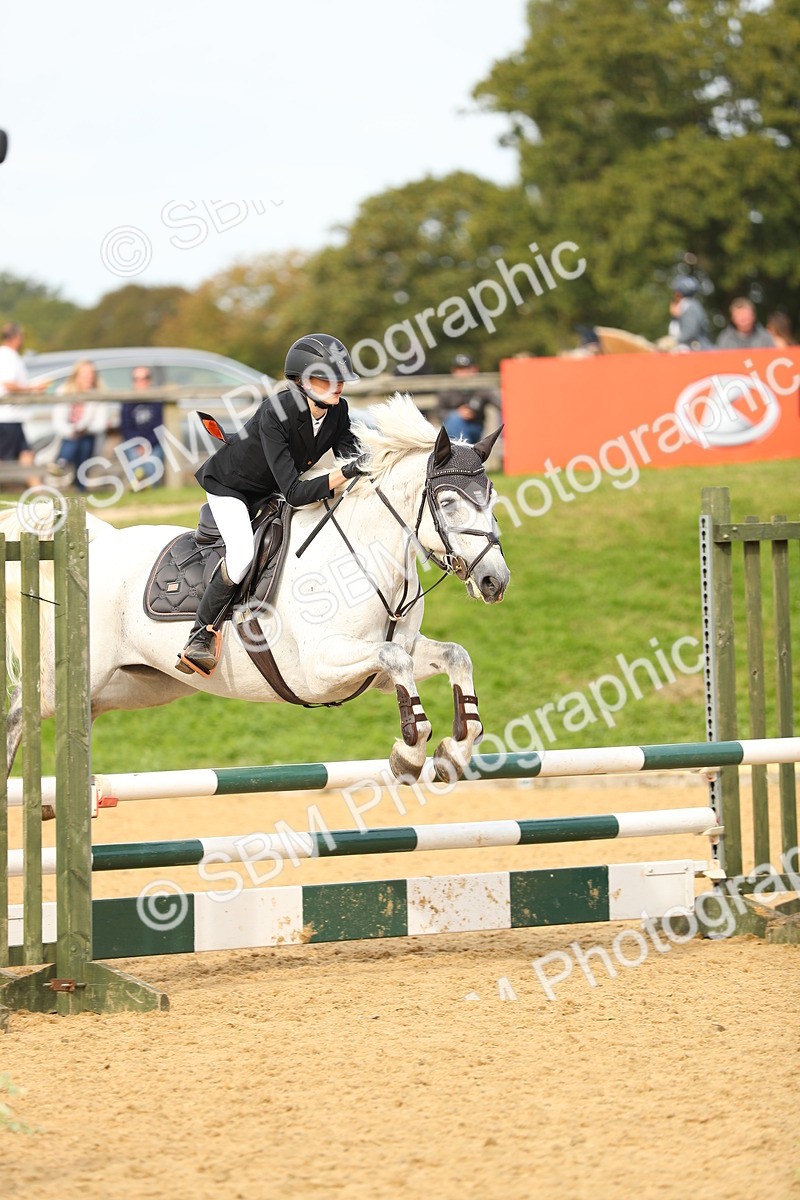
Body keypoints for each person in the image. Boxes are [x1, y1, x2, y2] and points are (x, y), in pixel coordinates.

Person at [177, 333, 364, 676]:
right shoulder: (277, 412)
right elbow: (295, 492)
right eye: (329, 377)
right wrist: (346, 472)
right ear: (304, 381)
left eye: (341, 378)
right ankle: (200, 634)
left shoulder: (338, 412)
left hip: (271, 489)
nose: (339, 385)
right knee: (242, 555)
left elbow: (354, 458)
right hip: (232, 489)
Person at [51, 360, 112, 490]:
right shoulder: (64, 391)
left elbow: (100, 424)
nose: (88, 377)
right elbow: (58, 421)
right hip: (67, 437)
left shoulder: (98, 394)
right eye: (85, 374)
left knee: (83, 441)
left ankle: (61, 462)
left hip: (90, 436)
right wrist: (72, 431)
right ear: (76, 375)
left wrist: (83, 429)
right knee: (76, 440)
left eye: (91, 374)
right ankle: (79, 485)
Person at [0, 322, 48, 479]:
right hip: (8, 416)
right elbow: (8, 384)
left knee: (26, 454)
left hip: (13, 416)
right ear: (16, 337)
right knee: (4, 460)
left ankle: (37, 491)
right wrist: (33, 389)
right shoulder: (8, 357)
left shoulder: (7, 356)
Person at [119, 366, 165, 485]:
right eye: (137, 379)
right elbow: (126, 428)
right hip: (134, 443)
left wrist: (147, 444)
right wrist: (139, 444)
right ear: (133, 381)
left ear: (150, 380)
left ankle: (151, 488)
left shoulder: (157, 400)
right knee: (135, 460)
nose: (141, 382)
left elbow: (159, 426)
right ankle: (137, 486)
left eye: (145, 378)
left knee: (151, 467)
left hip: (153, 442)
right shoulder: (128, 402)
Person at [436, 353, 496, 445]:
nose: (462, 373)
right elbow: (438, 412)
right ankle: (463, 453)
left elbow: (502, 404)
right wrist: (457, 414)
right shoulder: (447, 389)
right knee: (454, 419)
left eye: (466, 369)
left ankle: (461, 453)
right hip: (451, 430)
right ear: (453, 371)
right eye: (459, 369)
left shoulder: (482, 387)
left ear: (475, 369)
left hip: (475, 428)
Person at [668, 278, 712, 350]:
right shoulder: (694, 305)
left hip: (696, 350)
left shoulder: (688, 305)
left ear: (679, 293)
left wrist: (672, 341)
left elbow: (689, 331)